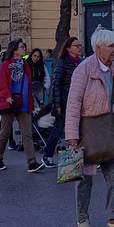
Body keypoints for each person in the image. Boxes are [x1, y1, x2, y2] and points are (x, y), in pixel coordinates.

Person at [66, 28, 114, 227]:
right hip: (88, 131)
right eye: (111, 46)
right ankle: (83, 219)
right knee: (84, 180)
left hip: (110, 132)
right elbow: (73, 103)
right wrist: (72, 138)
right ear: (98, 48)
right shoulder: (84, 69)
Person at [0, 39, 44, 173]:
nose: (24, 49)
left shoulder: (25, 65)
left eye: (24, 47)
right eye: (21, 47)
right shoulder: (6, 65)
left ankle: (31, 162)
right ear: (14, 50)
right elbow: (1, 84)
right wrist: (7, 96)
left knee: (27, 133)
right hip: (9, 103)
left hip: (24, 104)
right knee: (5, 131)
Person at [42, 35, 83, 166]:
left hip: (79, 102)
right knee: (59, 130)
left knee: (81, 130)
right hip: (65, 102)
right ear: (69, 48)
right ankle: (47, 156)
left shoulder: (81, 63)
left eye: (80, 45)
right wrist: (57, 105)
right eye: (77, 46)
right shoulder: (62, 62)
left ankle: (82, 159)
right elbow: (56, 85)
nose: (79, 48)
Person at [27, 47, 48, 114]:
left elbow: (47, 77)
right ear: (31, 56)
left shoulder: (42, 65)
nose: (36, 58)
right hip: (29, 90)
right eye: (34, 56)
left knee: (39, 109)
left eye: (38, 57)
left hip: (39, 90)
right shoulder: (26, 64)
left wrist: (45, 86)